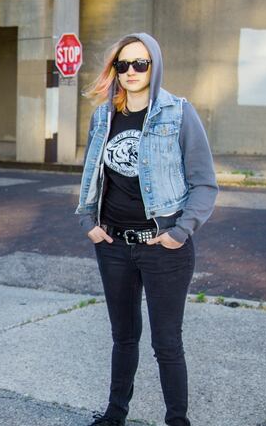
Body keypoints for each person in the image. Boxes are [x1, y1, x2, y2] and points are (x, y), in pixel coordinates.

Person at [75, 33, 218, 426]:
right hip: (113, 244)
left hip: (164, 247)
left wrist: (181, 231)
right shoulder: (103, 116)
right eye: (123, 64)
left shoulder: (178, 112)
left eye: (140, 63)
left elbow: (205, 183)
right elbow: (92, 174)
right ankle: (115, 414)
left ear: (154, 66)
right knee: (123, 337)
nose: (131, 71)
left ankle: (177, 420)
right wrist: (88, 222)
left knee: (166, 343)